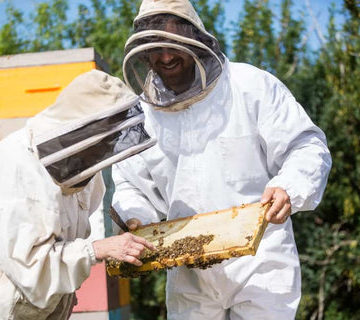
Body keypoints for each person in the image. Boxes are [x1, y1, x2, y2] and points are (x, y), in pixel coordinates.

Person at [112, 0, 332, 319]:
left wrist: (289, 185)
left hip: (261, 266)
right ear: (142, 54)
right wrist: (136, 218)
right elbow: (131, 185)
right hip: (189, 274)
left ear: (197, 41)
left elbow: (306, 145)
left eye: (174, 44)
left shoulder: (251, 86)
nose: (166, 56)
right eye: (155, 48)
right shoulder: (141, 117)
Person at [0, 69, 156, 320]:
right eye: (107, 141)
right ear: (86, 131)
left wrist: (123, 234)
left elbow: (67, 236)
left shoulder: (83, 167)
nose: (109, 149)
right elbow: (32, 272)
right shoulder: (10, 170)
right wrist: (99, 249)